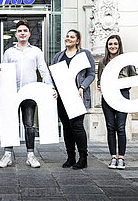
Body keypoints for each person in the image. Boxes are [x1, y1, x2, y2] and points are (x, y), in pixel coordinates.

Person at [0, 20, 55, 168]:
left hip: (29, 93)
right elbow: (3, 72)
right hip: (12, 93)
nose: (22, 33)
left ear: (29, 34)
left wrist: (51, 88)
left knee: (29, 125)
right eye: (20, 31)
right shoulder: (9, 52)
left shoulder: (36, 51)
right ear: (16, 34)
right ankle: (7, 155)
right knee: (10, 123)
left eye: (25, 31)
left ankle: (30, 155)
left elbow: (43, 70)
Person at [51, 29, 95, 170]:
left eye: (72, 37)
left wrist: (82, 87)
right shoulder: (58, 56)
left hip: (77, 97)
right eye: (67, 36)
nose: (68, 38)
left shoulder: (84, 54)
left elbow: (91, 74)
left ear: (77, 41)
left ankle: (83, 158)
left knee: (77, 127)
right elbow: (53, 77)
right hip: (62, 98)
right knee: (67, 128)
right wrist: (54, 89)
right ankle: (71, 157)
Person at [97, 35, 136, 170]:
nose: (112, 46)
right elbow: (99, 79)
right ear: (107, 47)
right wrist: (100, 86)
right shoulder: (103, 62)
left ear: (119, 45)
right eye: (110, 44)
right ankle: (113, 157)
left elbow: (134, 78)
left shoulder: (127, 61)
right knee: (110, 127)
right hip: (107, 97)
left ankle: (121, 158)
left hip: (123, 95)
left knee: (120, 127)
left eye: (115, 44)